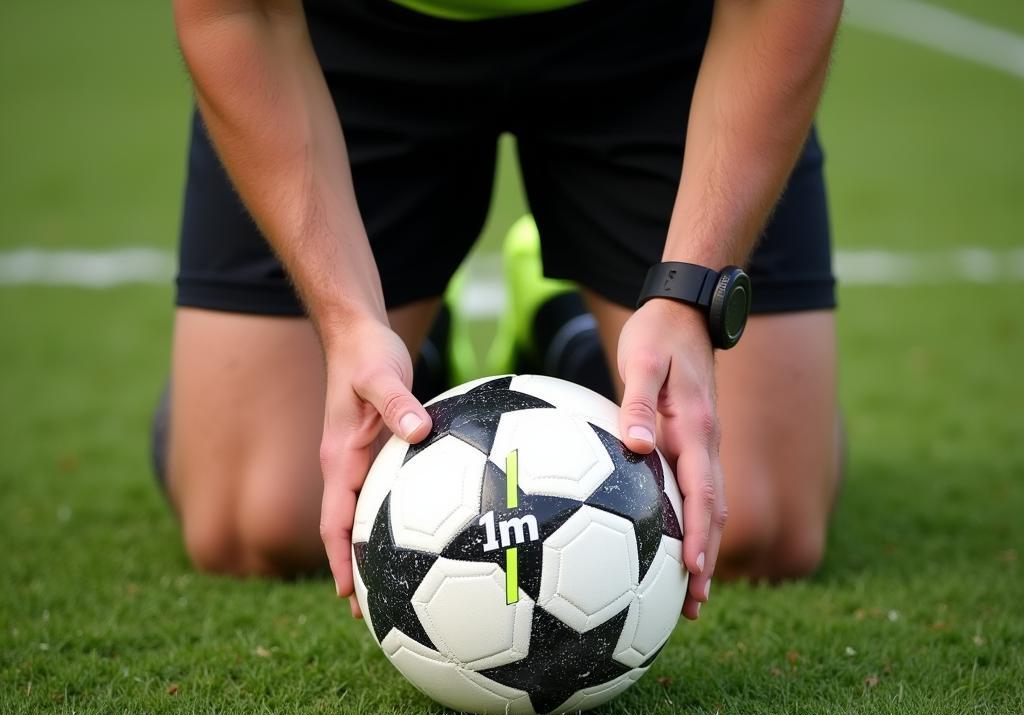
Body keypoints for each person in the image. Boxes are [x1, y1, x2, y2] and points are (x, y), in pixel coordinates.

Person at [163, 0, 844, 623]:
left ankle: (562, 320)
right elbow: (234, 11)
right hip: (347, 30)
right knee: (259, 524)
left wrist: (690, 298)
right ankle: (415, 343)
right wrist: (347, 319)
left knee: (756, 528)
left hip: (657, 36)